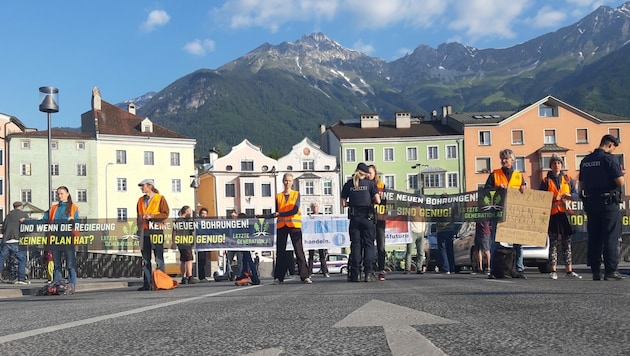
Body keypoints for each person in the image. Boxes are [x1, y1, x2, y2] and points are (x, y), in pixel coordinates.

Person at [579, 134, 626, 281]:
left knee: (594, 236)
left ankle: (595, 270)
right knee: (610, 236)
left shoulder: (585, 160)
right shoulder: (609, 159)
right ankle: (611, 270)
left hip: (591, 202)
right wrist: (621, 174)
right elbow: (620, 182)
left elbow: (581, 184)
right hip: (608, 202)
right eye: (614, 147)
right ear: (610, 144)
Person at [485, 148, 528, 279]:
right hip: (499, 213)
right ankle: (494, 269)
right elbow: (486, 191)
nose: (504, 161)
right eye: (502, 158)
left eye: (507, 158)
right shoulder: (495, 174)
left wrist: (524, 188)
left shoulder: (519, 176)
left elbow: (525, 191)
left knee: (518, 242)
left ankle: (519, 269)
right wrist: (497, 188)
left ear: (513, 160)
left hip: (515, 213)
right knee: (496, 241)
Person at [539, 155, 582, 280]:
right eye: (554, 163)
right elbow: (540, 197)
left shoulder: (568, 179)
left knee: (567, 243)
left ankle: (569, 270)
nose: (556, 165)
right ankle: (553, 269)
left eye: (558, 163)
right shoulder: (545, 181)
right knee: (553, 243)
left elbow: (576, 194)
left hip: (566, 214)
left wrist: (570, 195)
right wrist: (553, 199)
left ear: (561, 165)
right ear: (550, 165)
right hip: (552, 215)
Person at [341, 162, 381, 282]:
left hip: (354, 218)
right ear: (366, 173)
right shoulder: (370, 184)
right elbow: (378, 201)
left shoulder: (349, 184)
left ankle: (355, 274)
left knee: (356, 245)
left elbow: (343, 203)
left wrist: (352, 203)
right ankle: (368, 273)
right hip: (367, 217)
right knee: (369, 244)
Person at [273, 173, 311, 284]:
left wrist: (280, 213)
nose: (287, 183)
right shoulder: (278, 196)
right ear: (283, 181)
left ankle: (305, 275)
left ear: (292, 182)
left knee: (299, 251)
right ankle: (278, 277)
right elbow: (276, 212)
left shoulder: (296, 194)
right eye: (285, 180)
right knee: (280, 251)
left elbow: (294, 210)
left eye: (289, 181)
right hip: (281, 226)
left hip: (294, 225)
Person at [42, 186, 80, 287]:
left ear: (67, 194)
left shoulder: (73, 208)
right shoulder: (53, 208)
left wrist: (73, 221)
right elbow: (44, 220)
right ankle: (57, 283)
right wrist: (27, 222)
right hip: (55, 238)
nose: (59, 196)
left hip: (68, 238)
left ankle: (72, 284)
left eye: (61, 193)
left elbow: (78, 223)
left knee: (70, 264)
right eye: (58, 194)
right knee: (56, 264)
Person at [136, 179, 170, 291]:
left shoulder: (160, 198)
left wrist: (152, 216)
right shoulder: (140, 200)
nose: (141, 188)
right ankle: (147, 283)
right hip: (144, 232)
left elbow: (165, 213)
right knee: (145, 259)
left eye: (143, 186)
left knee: (158, 258)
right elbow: (138, 216)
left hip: (156, 231)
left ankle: (161, 282)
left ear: (150, 186)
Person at [0, 202, 29, 284]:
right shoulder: (23, 214)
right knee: (21, 259)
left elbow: (4, 227)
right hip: (17, 240)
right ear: (21, 206)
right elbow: (28, 227)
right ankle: (21, 278)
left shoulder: (8, 215)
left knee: (2, 259)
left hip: (6, 240)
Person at [368, 165, 387, 280]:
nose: (369, 175)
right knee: (369, 245)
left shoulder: (382, 186)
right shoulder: (364, 185)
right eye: (368, 173)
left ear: (375, 173)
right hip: (369, 218)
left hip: (380, 218)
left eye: (371, 173)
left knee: (381, 245)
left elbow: (387, 201)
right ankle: (369, 268)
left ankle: (381, 269)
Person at [172, 205, 198, 285]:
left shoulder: (177, 220)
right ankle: (189, 276)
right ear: (186, 211)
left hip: (180, 242)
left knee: (183, 260)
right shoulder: (187, 220)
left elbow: (174, 232)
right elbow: (192, 229)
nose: (190, 213)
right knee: (189, 260)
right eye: (189, 211)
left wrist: (174, 242)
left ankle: (184, 277)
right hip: (186, 241)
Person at [234, 213, 261, 286]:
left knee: (247, 259)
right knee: (245, 259)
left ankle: (253, 275)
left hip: (243, 244)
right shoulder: (248, 225)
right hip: (245, 244)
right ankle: (246, 274)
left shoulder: (241, 226)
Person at [307, 202, 330, 278]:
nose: (315, 208)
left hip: (320, 237)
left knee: (322, 255)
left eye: (316, 206)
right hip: (312, 238)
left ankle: (325, 271)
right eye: (313, 207)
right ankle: (309, 272)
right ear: (311, 208)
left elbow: (326, 225)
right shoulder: (308, 216)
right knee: (311, 256)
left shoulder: (321, 215)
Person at [226, 209, 243, 281]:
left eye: (233, 215)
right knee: (228, 260)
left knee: (240, 261)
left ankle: (239, 274)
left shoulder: (240, 223)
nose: (232, 217)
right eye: (231, 216)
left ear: (236, 215)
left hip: (239, 244)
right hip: (230, 244)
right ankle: (228, 274)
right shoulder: (228, 223)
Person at [196, 207, 210, 282]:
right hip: (200, 244)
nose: (204, 215)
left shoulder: (208, 223)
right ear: (200, 214)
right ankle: (201, 276)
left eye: (205, 214)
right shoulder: (197, 222)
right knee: (200, 260)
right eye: (202, 214)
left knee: (204, 260)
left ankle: (203, 276)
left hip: (207, 244)